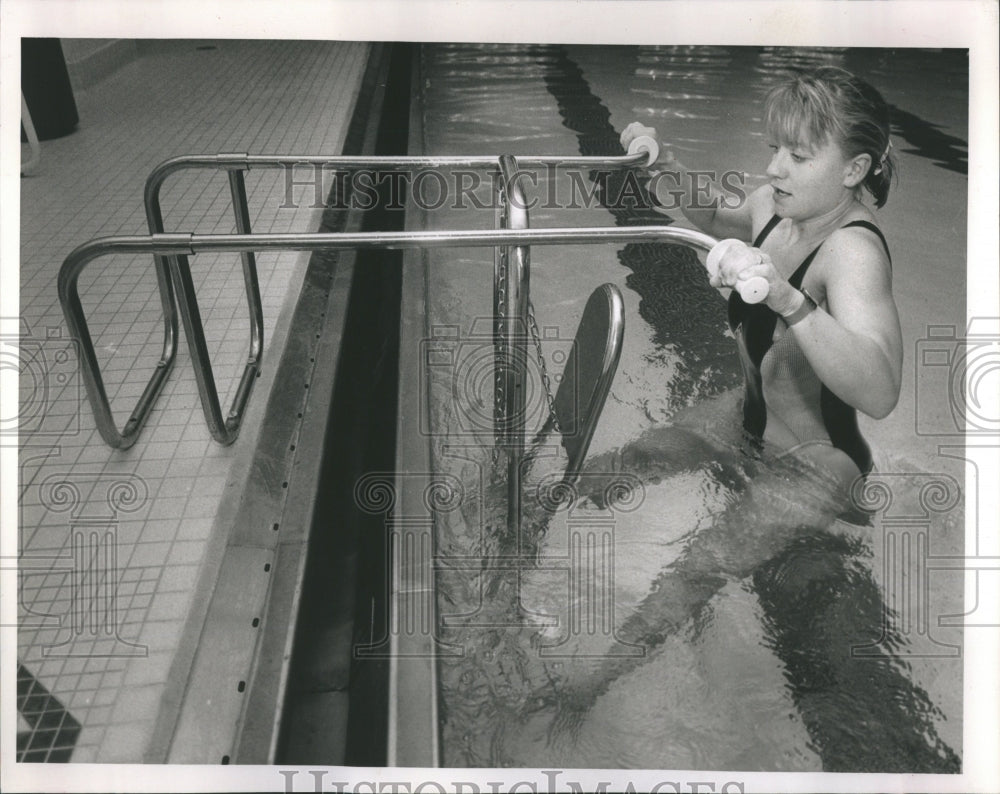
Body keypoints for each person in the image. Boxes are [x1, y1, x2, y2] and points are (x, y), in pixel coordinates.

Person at [621, 65, 903, 504]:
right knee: (625, 464)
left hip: (819, 466)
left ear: (854, 170)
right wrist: (665, 165)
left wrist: (788, 298)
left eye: (798, 156)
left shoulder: (852, 252)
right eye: (775, 149)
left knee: (691, 572)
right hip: (749, 417)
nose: (773, 168)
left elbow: (881, 394)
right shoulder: (773, 207)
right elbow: (714, 215)